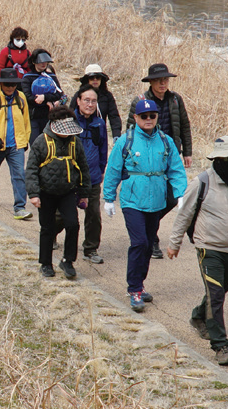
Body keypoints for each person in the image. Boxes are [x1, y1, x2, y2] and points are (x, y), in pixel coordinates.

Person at [167, 136, 228, 366]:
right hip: (208, 247)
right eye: (225, 158)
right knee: (216, 295)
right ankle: (220, 346)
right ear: (216, 159)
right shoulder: (201, 182)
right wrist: (174, 243)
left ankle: (199, 316)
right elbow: (184, 215)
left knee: (220, 289)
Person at [103, 99, 186, 313]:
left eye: (152, 116)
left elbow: (176, 169)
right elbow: (113, 169)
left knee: (149, 245)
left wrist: (180, 194)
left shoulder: (165, 141)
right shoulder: (125, 141)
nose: (148, 120)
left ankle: (140, 283)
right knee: (139, 243)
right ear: (136, 118)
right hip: (132, 200)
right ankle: (134, 289)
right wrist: (109, 198)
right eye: (144, 116)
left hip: (156, 201)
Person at [127, 63, 193, 259]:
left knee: (172, 197)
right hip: (147, 158)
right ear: (151, 82)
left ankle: (151, 228)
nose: (163, 83)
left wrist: (187, 152)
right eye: (159, 80)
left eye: (165, 80)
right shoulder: (140, 101)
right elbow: (130, 133)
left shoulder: (175, 100)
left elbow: (184, 125)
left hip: (170, 156)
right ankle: (151, 238)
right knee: (150, 196)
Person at [26, 105, 90, 278]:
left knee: (73, 224)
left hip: (67, 192)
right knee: (47, 228)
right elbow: (31, 169)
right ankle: (45, 263)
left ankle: (67, 261)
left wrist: (84, 194)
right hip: (46, 192)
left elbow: (83, 168)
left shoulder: (75, 143)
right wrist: (33, 194)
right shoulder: (40, 141)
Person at [0, 68, 33, 220]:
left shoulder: (21, 98)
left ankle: (20, 207)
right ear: (1, 84)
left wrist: (25, 141)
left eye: (13, 85)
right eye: (7, 85)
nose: (10, 88)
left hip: (16, 146)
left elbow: (26, 122)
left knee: (19, 175)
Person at [74, 86, 108, 264]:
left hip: (93, 178)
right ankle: (54, 237)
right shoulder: (69, 120)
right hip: (70, 177)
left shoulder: (100, 124)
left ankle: (91, 248)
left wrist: (101, 171)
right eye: (86, 100)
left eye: (93, 101)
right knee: (60, 215)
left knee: (93, 214)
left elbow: (103, 150)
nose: (90, 104)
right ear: (78, 101)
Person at [20, 49, 64, 145]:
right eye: (40, 62)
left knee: (48, 144)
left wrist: (45, 97)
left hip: (48, 116)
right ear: (34, 62)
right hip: (33, 116)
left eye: (46, 62)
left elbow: (59, 94)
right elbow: (27, 96)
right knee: (35, 144)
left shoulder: (51, 76)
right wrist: (42, 100)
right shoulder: (28, 77)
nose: (43, 64)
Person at [72, 64, 122, 140]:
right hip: (80, 134)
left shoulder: (107, 96)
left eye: (98, 77)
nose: (95, 80)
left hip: (99, 134)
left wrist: (116, 135)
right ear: (87, 80)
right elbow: (70, 114)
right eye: (92, 78)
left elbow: (114, 116)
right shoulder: (79, 95)